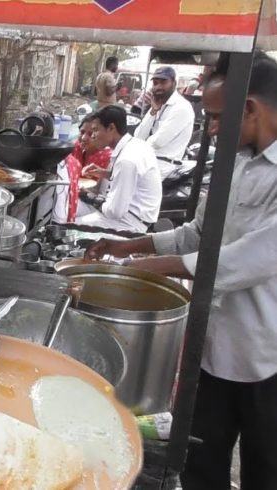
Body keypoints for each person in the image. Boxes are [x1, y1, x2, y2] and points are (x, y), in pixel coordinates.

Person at [85, 51, 277, 490]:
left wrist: (135, 270)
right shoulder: (238, 163)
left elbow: (240, 262)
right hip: (212, 352)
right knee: (200, 466)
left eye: (215, 118)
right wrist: (126, 245)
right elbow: (197, 234)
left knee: (265, 472)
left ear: (250, 109)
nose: (208, 129)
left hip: (266, 359)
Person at [77, 105, 162, 232]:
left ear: (111, 128)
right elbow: (132, 179)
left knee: (70, 224)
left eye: (95, 130)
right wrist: (105, 173)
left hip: (128, 223)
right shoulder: (135, 144)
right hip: (127, 215)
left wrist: (90, 197)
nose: (93, 136)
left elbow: (114, 212)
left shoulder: (127, 160)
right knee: (72, 206)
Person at [134, 66, 196, 179]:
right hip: (150, 160)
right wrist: (152, 112)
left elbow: (158, 142)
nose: (158, 87)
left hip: (164, 165)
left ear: (173, 83)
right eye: (155, 83)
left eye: (163, 82)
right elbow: (138, 136)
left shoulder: (181, 107)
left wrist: (138, 148)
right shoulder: (159, 105)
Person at [53, 115, 112, 223]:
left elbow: (85, 187)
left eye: (90, 134)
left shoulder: (105, 156)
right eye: (82, 132)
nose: (84, 138)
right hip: (77, 194)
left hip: (92, 203)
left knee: (60, 208)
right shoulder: (76, 147)